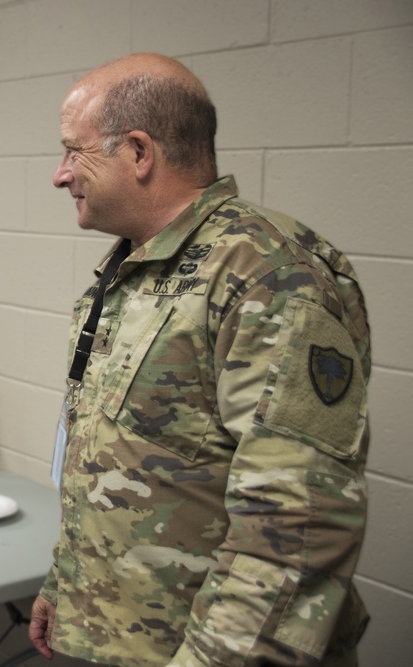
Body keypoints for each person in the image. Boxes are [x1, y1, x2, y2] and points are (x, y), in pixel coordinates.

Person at [29, 53, 371, 666]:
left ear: (138, 152)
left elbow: (294, 527)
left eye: (73, 152)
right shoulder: (131, 269)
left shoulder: (267, 274)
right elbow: (108, 454)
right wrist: (65, 586)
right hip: (120, 635)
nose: (59, 175)